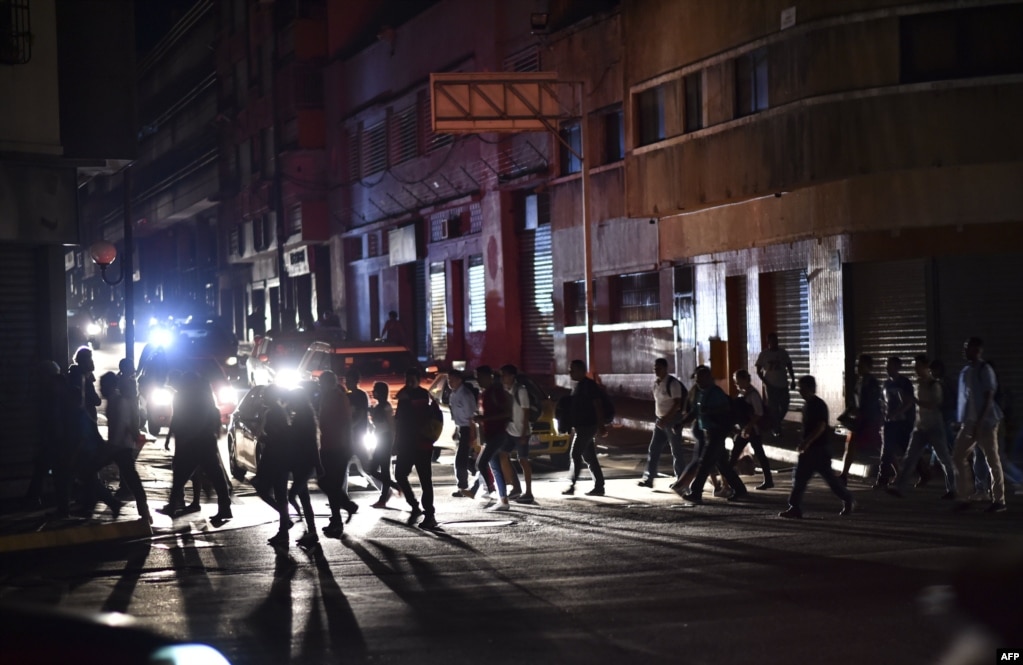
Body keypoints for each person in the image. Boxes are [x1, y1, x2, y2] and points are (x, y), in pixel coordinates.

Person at [779, 376, 856, 518]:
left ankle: (847, 499)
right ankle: (795, 507)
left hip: (818, 449)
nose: (800, 391)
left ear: (810, 388)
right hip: (813, 449)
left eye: (802, 388)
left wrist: (807, 442)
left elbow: (821, 426)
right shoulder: (808, 405)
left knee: (821, 479)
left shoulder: (817, 405)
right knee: (801, 478)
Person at [163, 372, 233, 522]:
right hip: (204, 442)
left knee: (181, 475)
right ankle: (224, 507)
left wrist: (179, 437)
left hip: (193, 442)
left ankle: (173, 504)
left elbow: (179, 419)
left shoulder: (186, 397)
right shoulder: (203, 398)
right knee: (215, 476)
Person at [951, 337, 1007, 513]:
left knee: (992, 460)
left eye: (967, 347)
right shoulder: (966, 371)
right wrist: (961, 421)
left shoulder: (985, 369)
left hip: (986, 423)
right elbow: (965, 398)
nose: (964, 350)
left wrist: (981, 423)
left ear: (977, 350)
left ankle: (999, 501)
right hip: (969, 423)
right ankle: (964, 497)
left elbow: (989, 396)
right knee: (958, 456)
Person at [887, 356, 955, 499]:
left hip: (934, 427)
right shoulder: (918, 384)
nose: (915, 369)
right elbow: (913, 403)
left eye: (918, 366)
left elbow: (934, 405)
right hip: (920, 427)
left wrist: (915, 401)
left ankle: (954, 489)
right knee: (909, 458)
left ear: (926, 367)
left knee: (945, 459)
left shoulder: (934, 385)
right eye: (915, 367)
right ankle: (900, 488)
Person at [680, 366, 749, 505]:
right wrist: (681, 423)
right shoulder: (700, 393)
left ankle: (696, 492)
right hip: (708, 433)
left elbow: (724, 408)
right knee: (722, 465)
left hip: (716, 433)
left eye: (700, 379)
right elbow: (695, 411)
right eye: (696, 380)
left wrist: (710, 410)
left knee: (704, 463)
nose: (698, 382)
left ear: (707, 378)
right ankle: (740, 490)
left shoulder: (716, 392)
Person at [97, 372, 151, 524]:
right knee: (131, 477)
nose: (101, 389)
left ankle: (139, 509)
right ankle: (140, 509)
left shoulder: (118, 402)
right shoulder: (115, 401)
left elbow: (121, 425)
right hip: (120, 446)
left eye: (103, 386)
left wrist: (112, 446)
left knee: (131, 477)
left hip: (120, 446)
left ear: (111, 386)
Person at [393, 367, 440, 529]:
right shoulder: (405, 396)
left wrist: (404, 399)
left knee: (424, 480)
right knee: (400, 474)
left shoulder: (420, 395)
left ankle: (429, 514)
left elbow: (410, 419)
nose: (409, 382)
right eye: (407, 379)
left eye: (412, 379)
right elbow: (400, 421)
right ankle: (415, 506)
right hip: (408, 444)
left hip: (421, 443)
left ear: (418, 380)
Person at [316, 371, 358, 538]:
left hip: (338, 447)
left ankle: (337, 520)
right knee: (326, 482)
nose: (320, 385)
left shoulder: (339, 398)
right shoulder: (326, 397)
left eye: (322, 382)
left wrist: (349, 445)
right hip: (328, 446)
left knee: (330, 484)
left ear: (329, 383)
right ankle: (345, 507)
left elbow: (347, 423)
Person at [638, 358, 687, 489]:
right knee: (654, 449)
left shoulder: (673, 383)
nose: (656, 370)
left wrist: (666, 419)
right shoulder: (656, 383)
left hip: (671, 420)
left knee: (676, 451)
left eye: (658, 368)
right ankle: (649, 478)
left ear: (665, 368)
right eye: (655, 368)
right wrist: (660, 419)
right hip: (660, 421)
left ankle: (681, 480)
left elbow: (677, 404)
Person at [254, 384, 294, 545]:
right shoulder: (278, 411)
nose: (262, 398)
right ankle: (284, 524)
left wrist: (264, 438)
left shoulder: (273, 413)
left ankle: (284, 524)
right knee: (279, 493)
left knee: (266, 490)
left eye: (264, 395)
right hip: (279, 457)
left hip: (274, 457)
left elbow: (277, 435)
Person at [561, 359, 607, 497]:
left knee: (575, 454)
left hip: (588, 426)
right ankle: (599, 486)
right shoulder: (579, 386)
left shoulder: (589, 386)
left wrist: (601, 425)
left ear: (581, 371)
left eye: (572, 370)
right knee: (590, 457)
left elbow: (597, 405)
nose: (570, 372)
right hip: (582, 427)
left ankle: (572, 485)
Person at [286, 388, 322, 548]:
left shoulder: (302, 419)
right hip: (303, 463)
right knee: (304, 499)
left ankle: (306, 527)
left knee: (293, 495)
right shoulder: (305, 417)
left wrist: (318, 464)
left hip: (304, 463)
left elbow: (311, 444)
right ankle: (311, 531)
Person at [839, 354, 883, 484]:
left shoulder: (871, 382)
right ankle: (844, 474)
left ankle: (898, 470)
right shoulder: (860, 381)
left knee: (879, 446)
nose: (858, 367)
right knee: (852, 444)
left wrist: (862, 413)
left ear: (868, 366)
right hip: (861, 420)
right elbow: (854, 401)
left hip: (869, 420)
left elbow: (873, 402)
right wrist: (847, 414)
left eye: (861, 365)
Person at [473, 366, 512, 509]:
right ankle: (503, 500)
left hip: (498, 434)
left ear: (488, 377)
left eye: (480, 377)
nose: (477, 380)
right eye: (476, 377)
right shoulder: (483, 393)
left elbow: (507, 413)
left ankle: (491, 491)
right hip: (489, 435)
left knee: (481, 463)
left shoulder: (496, 392)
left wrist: (484, 418)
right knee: (494, 467)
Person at [729, 369, 774, 490]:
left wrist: (748, 427)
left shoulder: (753, 394)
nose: (736, 384)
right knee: (735, 454)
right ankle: (728, 479)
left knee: (758, 454)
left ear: (745, 380)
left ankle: (768, 480)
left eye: (738, 381)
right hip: (745, 429)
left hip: (752, 429)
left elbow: (759, 413)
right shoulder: (742, 393)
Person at [876, 356, 915, 489]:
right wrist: (883, 417)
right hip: (890, 422)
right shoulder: (886, 384)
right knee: (886, 451)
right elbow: (883, 402)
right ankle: (882, 480)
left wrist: (897, 413)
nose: (887, 368)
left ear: (898, 367)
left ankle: (923, 472)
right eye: (887, 365)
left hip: (903, 422)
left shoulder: (904, 383)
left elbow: (909, 402)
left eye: (890, 365)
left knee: (907, 450)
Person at [501, 364, 535, 504]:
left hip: (521, 431)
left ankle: (528, 492)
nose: (503, 378)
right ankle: (515, 487)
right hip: (510, 430)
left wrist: (523, 433)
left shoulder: (521, 391)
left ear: (512, 376)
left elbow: (526, 412)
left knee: (523, 460)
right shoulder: (505, 390)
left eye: (505, 375)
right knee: (503, 455)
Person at [755, 332, 795, 437]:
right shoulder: (764, 354)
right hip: (771, 385)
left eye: (776, 340)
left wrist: (793, 380)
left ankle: (775, 423)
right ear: (768, 342)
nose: (774, 343)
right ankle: (776, 428)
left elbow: (789, 367)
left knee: (785, 406)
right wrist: (765, 381)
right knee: (774, 407)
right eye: (772, 341)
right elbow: (758, 370)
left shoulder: (783, 353)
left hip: (783, 384)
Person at [447, 370, 480, 498]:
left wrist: (472, 435)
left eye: (452, 379)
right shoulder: (453, 394)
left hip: (468, 429)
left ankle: (463, 487)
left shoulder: (466, 395)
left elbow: (471, 416)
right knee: (466, 460)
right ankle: (481, 477)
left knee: (460, 460)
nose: (450, 382)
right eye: (449, 380)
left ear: (460, 380)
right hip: (461, 428)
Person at [367, 381, 397, 508]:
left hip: (385, 439)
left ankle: (385, 497)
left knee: (377, 469)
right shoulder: (378, 406)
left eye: (375, 390)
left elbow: (392, 426)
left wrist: (393, 443)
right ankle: (387, 494)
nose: (373, 392)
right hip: (380, 438)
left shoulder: (386, 407)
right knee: (377, 470)